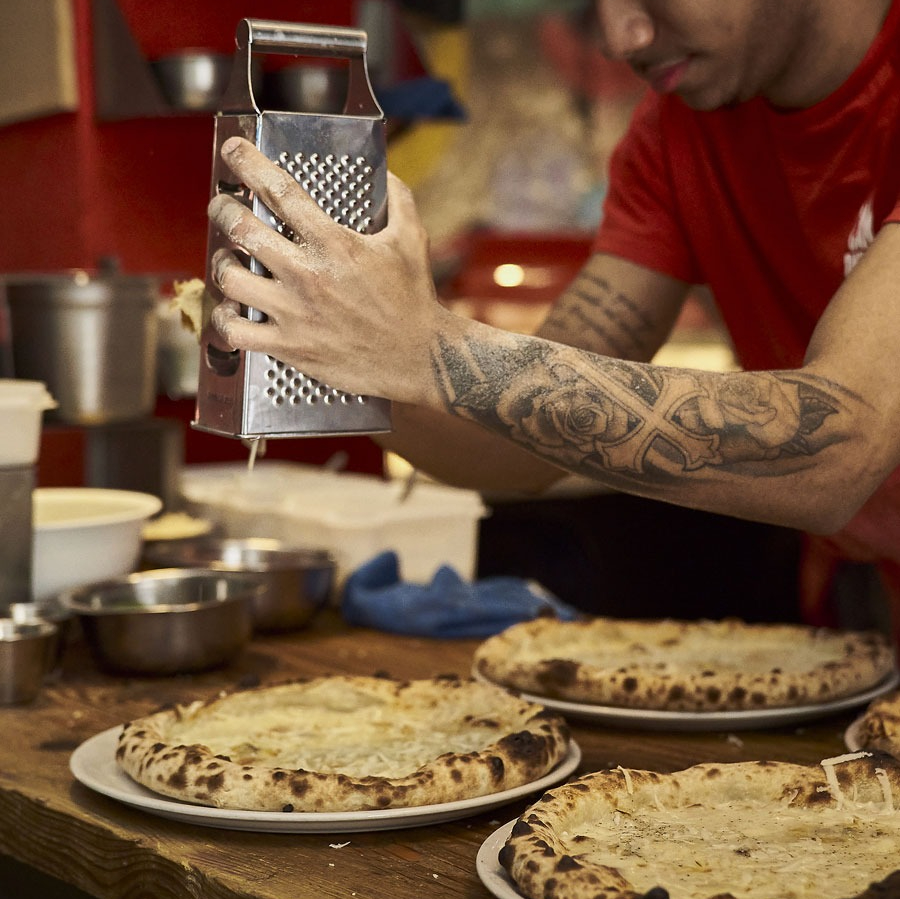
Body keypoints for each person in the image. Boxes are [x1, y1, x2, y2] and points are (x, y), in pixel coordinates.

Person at [205, 0, 900, 636]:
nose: (624, 37)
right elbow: (517, 441)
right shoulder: (678, 132)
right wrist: (335, 343)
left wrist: (428, 347)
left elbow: (841, 447)